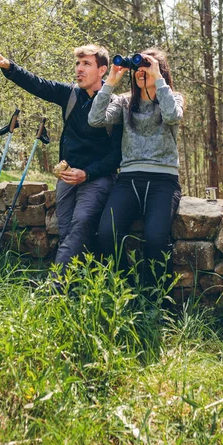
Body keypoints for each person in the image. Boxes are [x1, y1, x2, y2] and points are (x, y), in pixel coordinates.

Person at [0, 43, 122, 274]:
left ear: (103, 70)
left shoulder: (116, 105)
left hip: (97, 179)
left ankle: (56, 287)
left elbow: (117, 155)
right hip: (67, 177)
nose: (79, 69)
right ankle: (76, 287)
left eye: (86, 64)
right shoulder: (70, 95)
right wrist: (7, 65)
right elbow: (37, 84)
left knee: (81, 224)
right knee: (66, 231)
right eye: (78, 63)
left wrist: (87, 174)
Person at [88, 48, 183, 288]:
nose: (141, 73)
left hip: (163, 180)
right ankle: (125, 288)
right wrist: (110, 81)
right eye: (138, 70)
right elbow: (95, 119)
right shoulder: (124, 102)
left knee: (155, 238)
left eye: (147, 68)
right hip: (129, 179)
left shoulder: (172, 98)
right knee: (107, 233)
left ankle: (155, 298)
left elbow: (172, 116)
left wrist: (158, 78)